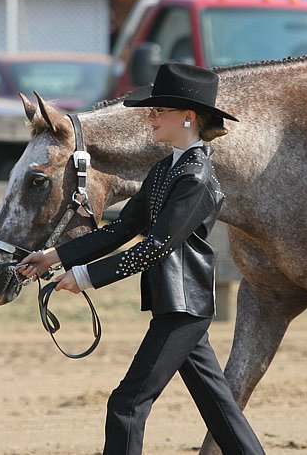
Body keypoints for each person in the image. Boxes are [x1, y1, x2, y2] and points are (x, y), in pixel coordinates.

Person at [18, 63, 265, 454]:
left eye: (159, 112)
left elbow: (156, 247)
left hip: (183, 308)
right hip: (177, 303)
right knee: (221, 412)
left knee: (127, 404)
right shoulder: (166, 168)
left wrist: (84, 277)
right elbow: (122, 228)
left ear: (188, 118)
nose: (150, 118)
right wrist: (54, 256)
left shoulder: (195, 177)